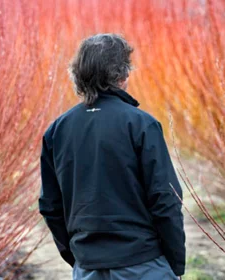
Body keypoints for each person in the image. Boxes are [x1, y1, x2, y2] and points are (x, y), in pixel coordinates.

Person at [38, 33, 185, 280]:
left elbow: (50, 205)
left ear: (78, 74)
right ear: (123, 75)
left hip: (87, 267)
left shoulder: (58, 130)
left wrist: (78, 257)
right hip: (143, 263)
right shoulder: (141, 124)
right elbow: (165, 198)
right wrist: (176, 263)